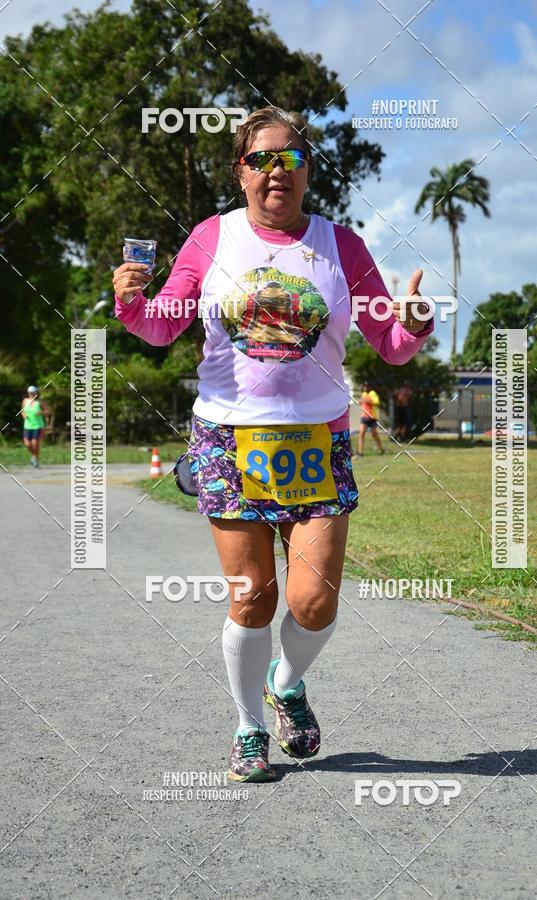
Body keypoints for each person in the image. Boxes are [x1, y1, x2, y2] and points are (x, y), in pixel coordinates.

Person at [112, 106, 434, 782]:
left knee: (315, 601)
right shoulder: (211, 237)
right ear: (241, 171)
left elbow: (391, 345)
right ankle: (248, 727)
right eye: (260, 158)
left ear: (307, 170)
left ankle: (286, 685)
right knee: (253, 596)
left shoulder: (341, 246)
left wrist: (415, 323)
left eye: (288, 157)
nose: (274, 170)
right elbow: (164, 325)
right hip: (228, 438)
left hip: (319, 439)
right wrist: (134, 303)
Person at [21, 386, 50, 467]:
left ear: (36, 393)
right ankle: (34, 456)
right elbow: (22, 411)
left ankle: (35, 459)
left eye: (33, 393)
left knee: (34, 443)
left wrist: (41, 412)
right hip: (27, 426)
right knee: (27, 444)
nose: (31, 394)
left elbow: (48, 411)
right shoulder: (25, 401)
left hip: (38, 425)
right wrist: (24, 415)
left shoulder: (40, 402)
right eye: (30, 393)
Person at [357, 381, 384, 456]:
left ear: (370, 387)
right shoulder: (363, 394)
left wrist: (368, 400)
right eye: (364, 386)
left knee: (374, 434)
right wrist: (361, 401)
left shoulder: (372, 393)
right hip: (364, 417)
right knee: (361, 434)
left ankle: (381, 449)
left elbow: (376, 402)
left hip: (372, 418)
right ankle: (360, 452)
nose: (365, 387)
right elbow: (361, 402)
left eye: (367, 386)